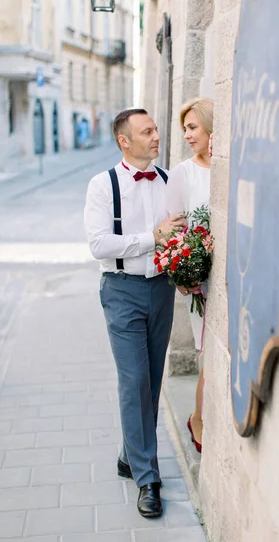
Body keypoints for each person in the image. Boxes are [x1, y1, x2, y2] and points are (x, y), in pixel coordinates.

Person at [84, 108, 186, 519]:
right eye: (147, 131)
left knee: (153, 379)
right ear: (125, 141)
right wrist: (151, 238)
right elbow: (98, 244)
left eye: (156, 129)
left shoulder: (166, 180)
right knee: (135, 381)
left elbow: (180, 229)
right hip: (122, 292)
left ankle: (131, 453)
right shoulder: (102, 184)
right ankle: (148, 478)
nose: (157, 136)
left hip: (160, 291)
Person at [167, 97, 213, 453]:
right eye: (185, 128)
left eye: (193, 127)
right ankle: (197, 419)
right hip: (200, 277)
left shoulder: (230, 165)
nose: (187, 134)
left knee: (215, 355)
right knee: (206, 354)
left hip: (230, 274)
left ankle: (199, 416)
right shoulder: (184, 172)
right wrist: (184, 274)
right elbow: (174, 229)